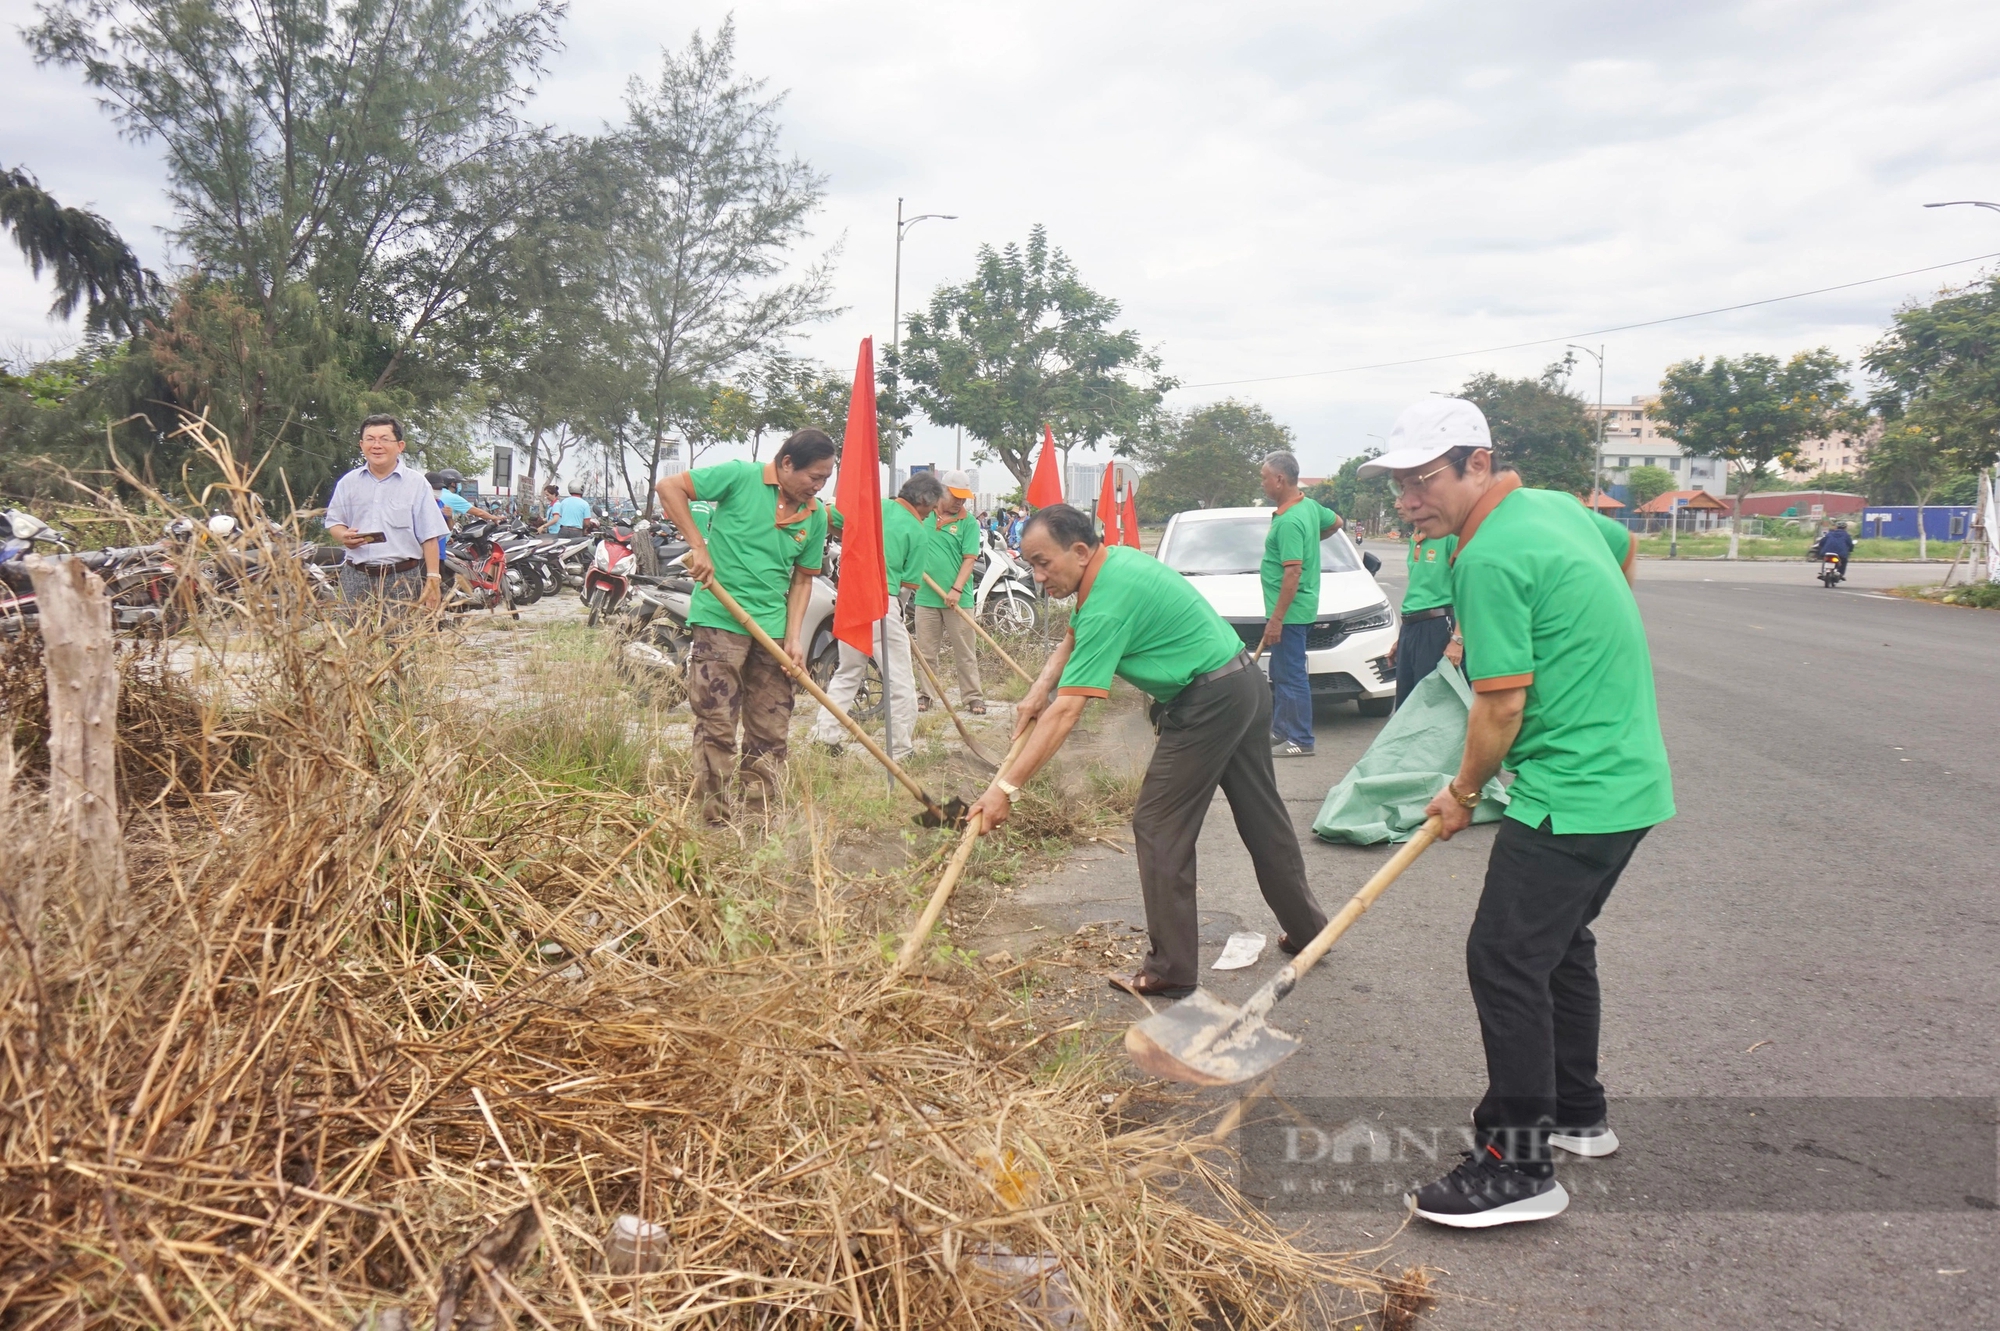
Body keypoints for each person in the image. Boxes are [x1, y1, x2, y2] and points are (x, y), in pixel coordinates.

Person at [1363, 396, 1674, 1229]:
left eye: (1423, 479)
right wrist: (1587, 643)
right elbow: (1623, 547)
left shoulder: (1489, 556)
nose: (1407, 500)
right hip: (1631, 781)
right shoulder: (1558, 508)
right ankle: (1578, 1111)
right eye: (1399, 483)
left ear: (1476, 463)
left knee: (1502, 957)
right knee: (1556, 945)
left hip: (1573, 792)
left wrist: (1460, 792)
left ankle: (1518, 1164)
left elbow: (1498, 707)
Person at [969, 503, 1329, 998]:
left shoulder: (1109, 600)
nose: (1037, 575)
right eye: (1030, 563)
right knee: (1262, 817)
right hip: (1242, 682)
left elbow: (1067, 714)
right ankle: (1310, 931)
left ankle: (1171, 969)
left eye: (1043, 562)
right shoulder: (1111, 566)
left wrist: (1004, 789)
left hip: (1207, 701)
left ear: (1078, 550)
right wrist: (1039, 688)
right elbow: (1074, 634)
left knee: (1158, 825)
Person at [655, 429, 835, 822]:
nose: (818, 486)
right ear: (787, 463)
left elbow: (802, 579)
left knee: (771, 728)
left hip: (771, 631)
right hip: (721, 619)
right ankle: (713, 818)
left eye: (825, 478)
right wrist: (698, 545)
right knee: (717, 723)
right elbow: (669, 487)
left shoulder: (815, 514)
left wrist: (793, 639)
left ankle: (759, 817)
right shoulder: (740, 476)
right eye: (814, 477)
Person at [814, 472, 943, 755]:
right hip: (882, 602)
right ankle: (900, 747)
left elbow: (826, 516)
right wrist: (895, 616)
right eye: (932, 507)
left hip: (850, 598)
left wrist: (849, 535)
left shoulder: (872, 507)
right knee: (899, 679)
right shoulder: (917, 531)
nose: (932, 512)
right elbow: (907, 589)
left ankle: (826, 735)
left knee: (849, 670)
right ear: (922, 500)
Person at [1257, 451, 1343, 757]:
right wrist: (1311, 541)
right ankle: (1281, 731)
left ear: (1280, 479)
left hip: (1291, 612)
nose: (1263, 483)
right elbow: (1337, 523)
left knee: (1291, 674)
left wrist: (1276, 619)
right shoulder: (1309, 508)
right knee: (1281, 672)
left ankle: (1300, 739)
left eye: (1265, 477)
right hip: (1296, 609)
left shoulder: (1291, 521)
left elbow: (1292, 572)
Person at [323, 415, 448, 617]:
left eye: (384, 439)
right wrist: (343, 536)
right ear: (361, 445)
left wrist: (433, 577)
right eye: (370, 439)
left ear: (400, 446)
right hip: (356, 576)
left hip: (402, 577)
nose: (376, 445)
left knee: (400, 642)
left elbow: (430, 535)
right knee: (353, 643)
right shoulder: (348, 482)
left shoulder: (416, 484)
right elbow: (335, 523)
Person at [913, 469, 986, 715]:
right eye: (956, 496)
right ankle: (925, 695)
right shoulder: (923, 516)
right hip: (926, 597)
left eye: (964, 498)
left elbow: (969, 560)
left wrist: (955, 590)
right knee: (926, 652)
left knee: (965, 652)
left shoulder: (969, 523)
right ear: (941, 490)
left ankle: (973, 697)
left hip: (959, 599)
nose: (960, 502)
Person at [1386, 529, 1461, 706]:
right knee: (1406, 707)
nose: (1398, 505)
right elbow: (1418, 590)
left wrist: (1458, 640)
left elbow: (1470, 590)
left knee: (1430, 706)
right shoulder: (1416, 537)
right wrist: (1403, 639)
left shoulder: (1452, 535)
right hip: (1411, 628)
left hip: (1437, 627)